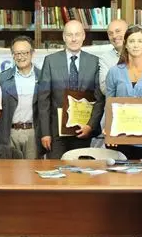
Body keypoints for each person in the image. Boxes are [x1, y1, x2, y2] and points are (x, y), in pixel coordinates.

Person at [38, 20, 104, 160]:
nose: (74, 39)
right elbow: (43, 99)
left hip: (83, 129)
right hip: (56, 133)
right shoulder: (50, 61)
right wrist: (45, 133)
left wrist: (90, 126)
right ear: (63, 37)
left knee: (80, 175)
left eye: (77, 34)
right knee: (56, 173)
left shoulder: (94, 62)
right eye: (69, 35)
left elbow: (99, 99)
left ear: (83, 36)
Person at [105, 25, 142, 160]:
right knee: (118, 179)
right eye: (132, 41)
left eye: (140, 41)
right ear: (125, 45)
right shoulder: (114, 72)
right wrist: (108, 130)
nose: (136, 45)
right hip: (119, 138)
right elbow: (108, 104)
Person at [0, 36, 41, 159]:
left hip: (33, 133)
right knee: (9, 173)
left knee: (32, 172)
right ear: (12, 55)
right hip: (10, 133)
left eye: (25, 53)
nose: (20, 57)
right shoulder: (3, 78)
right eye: (17, 53)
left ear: (32, 53)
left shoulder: (43, 77)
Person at [92, 19, 128, 148]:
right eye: (110, 33)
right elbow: (104, 88)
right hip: (115, 117)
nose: (114, 36)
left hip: (140, 116)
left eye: (118, 31)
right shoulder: (105, 58)